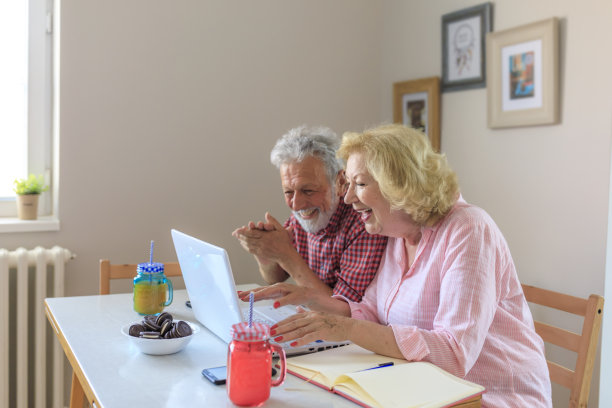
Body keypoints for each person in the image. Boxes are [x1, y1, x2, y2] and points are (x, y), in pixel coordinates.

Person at [243, 124, 552, 407]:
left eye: (360, 184)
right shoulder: (397, 234)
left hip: (488, 398)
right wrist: (315, 301)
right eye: (348, 184)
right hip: (421, 391)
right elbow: (372, 312)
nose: (348, 198)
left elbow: (454, 354)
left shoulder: (469, 228)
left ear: (400, 185)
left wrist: (344, 327)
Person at [232, 125, 387, 302]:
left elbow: (345, 308)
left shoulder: (364, 222)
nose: (296, 204)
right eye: (288, 192)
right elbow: (274, 278)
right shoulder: (302, 215)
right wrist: (264, 253)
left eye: (308, 191)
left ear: (340, 182)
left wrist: (285, 254)